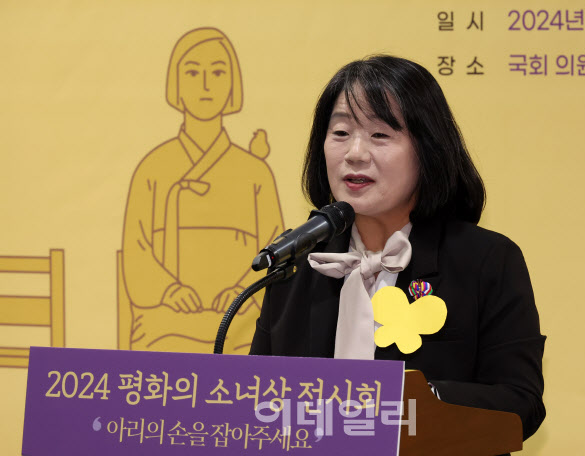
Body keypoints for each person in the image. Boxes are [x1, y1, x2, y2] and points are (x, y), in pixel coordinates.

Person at [249, 55, 545, 440]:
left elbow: (520, 404)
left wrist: (419, 401)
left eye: (380, 135)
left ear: (427, 148)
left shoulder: (485, 261)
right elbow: (256, 402)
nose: (355, 153)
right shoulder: (300, 262)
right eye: (341, 132)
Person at [122, 28, 284, 354]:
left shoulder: (256, 172)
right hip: (165, 324)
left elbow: (276, 251)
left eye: (218, 73)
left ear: (233, 85)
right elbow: (136, 251)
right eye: (193, 73)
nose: (206, 85)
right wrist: (169, 291)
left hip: (241, 321)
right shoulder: (152, 168)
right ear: (176, 84)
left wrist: (241, 291)